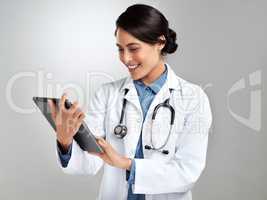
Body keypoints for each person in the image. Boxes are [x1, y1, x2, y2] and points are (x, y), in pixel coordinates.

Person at [48, 4, 212, 200]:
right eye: (120, 49)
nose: (125, 58)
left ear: (160, 42)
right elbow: (89, 162)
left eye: (133, 48)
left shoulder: (193, 98)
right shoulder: (107, 94)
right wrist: (65, 141)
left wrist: (126, 164)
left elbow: (187, 173)